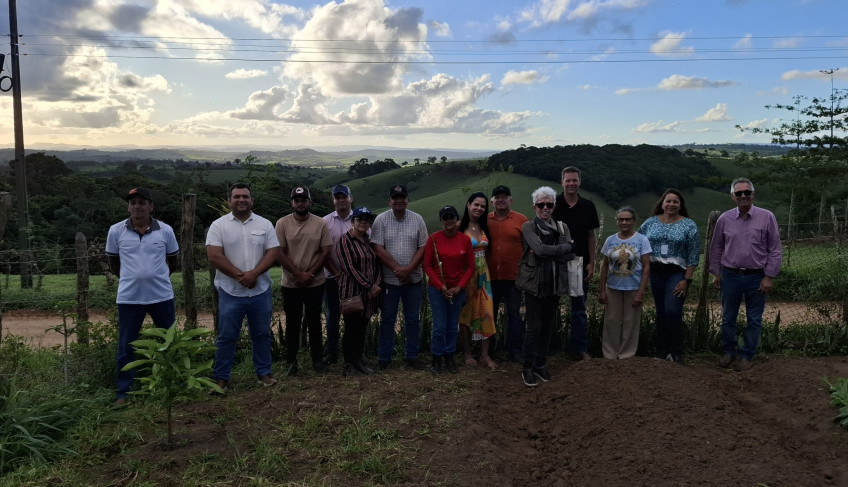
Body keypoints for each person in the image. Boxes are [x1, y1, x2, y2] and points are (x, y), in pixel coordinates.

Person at [106, 187, 179, 406]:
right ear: (128, 207)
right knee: (127, 345)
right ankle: (124, 392)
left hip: (162, 296)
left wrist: (156, 277)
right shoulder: (116, 231)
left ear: (151, 206)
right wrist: (133, 278)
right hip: (129, 298)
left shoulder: (165, 231)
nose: (137, 206)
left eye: (142, 202)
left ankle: (173, 383)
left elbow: (173, 261)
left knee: (169, 341)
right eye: (133, 203)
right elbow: (114, 264)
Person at [207, 183, 280, 392]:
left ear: (252, 201)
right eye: (237, 196)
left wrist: (254, 274)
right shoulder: (218, 226)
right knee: (227, 336)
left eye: (245, 196)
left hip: (260, 290)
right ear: (230, 200)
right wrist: (241, 276)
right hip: (231, 292)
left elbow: (273, 253)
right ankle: (221, 378)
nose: (241, 200)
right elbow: (214, 255)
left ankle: (263, 373)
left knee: (262, 334)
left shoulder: (265, 225)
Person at [710, 178, 782, 372]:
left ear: (753, 195)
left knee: (754, 319)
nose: (743, 196)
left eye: (747, 192)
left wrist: (769, 277)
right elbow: (716, 247)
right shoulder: (724, 219)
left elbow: (775, 249)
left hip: (756, 276)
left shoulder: (767, 217)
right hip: (730, 275)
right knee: (727, 317)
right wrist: (716, 273)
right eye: (739, 193)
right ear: (732, 196)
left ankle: (747, 355)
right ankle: (729, 352)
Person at [519, 186, 575, 387]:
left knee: (547, 327)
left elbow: (570, 252)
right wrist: (561, 248)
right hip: (535, 284)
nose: (545, 208)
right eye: (541, 204)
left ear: (553, 206)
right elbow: (540, 250)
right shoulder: (528, 227)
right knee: (533, 328)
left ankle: (540, 364)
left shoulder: (562, 227)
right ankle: (527, 367)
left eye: (549, 204)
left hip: (555, 284)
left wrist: (550, 250)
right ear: (534, 207)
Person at [638, 188, 701, 365]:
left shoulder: (689, 225)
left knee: (673, 311)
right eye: (668, 201)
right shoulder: (650, 223)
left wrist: (686, 280)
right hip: (655, 271)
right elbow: (639, 243)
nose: (671, 204)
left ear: (680, 206)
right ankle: (662, 350)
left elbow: (694, 254)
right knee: (661, 312)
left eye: (675, 202)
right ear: (662, 203)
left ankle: (676, 352)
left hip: (676, 273)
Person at [371, 184, 429, 370]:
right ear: (389, 201)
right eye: (395, 197)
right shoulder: (380, 220)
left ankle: (412, 356)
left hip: (413, 280)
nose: (399, 200)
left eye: (402, 197)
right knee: (388, 318)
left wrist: (409, 269)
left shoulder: (417, 219)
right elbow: (378, 248)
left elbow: (423, 247)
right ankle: (384, 358)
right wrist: (399, 270)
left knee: (412, 318)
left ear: (407, 200)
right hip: (390, 280)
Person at [276, 186, 333, 375]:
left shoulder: (320, 223)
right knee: (292, 322)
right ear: (292, 203)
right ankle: (291, 363)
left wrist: (309, 274)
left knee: (315, 321)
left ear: (310, 202)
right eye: (296, 200)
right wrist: (298, 274)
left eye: (303, 200)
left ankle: (318, 361)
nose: (300, 203)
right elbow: (279, 253)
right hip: (291, 284)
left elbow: (325, 252)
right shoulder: (282, 223)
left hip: (315, 283)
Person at [552, 166, 600, 360]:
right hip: (555, 263)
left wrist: (592, 262)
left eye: (574, 180)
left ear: (580, 182)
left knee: (579, 309)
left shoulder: (588, 206)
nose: (571, 183)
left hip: (580, 262)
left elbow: (591, 236)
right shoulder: (552, 204)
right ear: (562, 182)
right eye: (568, 180)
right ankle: (550, 346)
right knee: (551, 306)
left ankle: (578, 349)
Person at [424, 205, 475, 375]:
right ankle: (436, 358)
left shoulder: (465, 240)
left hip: (457, 290)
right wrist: (441, 286)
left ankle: (449, 356)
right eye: (445, 217)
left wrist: (460, 287)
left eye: (451, 217)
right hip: (438, 289)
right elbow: (427, 265)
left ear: (457, 219)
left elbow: (470, 267)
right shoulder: (433, 239)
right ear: (441, 221)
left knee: (453, 327)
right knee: (439, 326)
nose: (449, 221)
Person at [599, 207, 651, 360]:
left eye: (627, 219)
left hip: (633, 287)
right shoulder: (610, 240)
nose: (624, 222)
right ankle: (610, 354)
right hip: (613, 287)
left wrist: (641, 292)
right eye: (621, 219)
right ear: (617, 222)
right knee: (611, 321)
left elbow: (646, 267)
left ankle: (626, 355)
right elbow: (605, 265)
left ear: (633, 221)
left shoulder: (642, 240)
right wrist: (602, 289)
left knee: (631, 322)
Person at [335, 206, 381, 377]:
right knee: (351, 329)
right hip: (352, 293)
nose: (363, 222)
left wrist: (376, 284)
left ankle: (358, 361)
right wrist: (370, 286)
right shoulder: (345, 240)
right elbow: (349, 268)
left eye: (367, 219)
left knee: (361, 328)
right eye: (359, 219)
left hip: (369, 295)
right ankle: (349, 364)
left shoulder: (368, 241)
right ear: (352, 221)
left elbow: (376, 265)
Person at [487, 185, 529, 363]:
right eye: (497, 197)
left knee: (514, 315)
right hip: (490, 278)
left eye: (504, 197)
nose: (501, 200)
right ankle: (489, 350)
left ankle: (515, 350)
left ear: (510, 200)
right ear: (492, 202)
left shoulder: (522, 220)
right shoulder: (485, 219)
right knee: (490, 315)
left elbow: (528, 248)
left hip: (514, 277)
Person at [457, 192, 498, 369]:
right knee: (465, 315)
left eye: (483, 206)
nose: (479, 208)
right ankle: (467, 353)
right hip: (466, 276)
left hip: (484, 276)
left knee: (487, 313)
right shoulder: (460, 227)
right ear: (468, 205)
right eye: (476, 205)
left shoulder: (484, 227)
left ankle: (484, 355)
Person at [322, 184, 354, 365]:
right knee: (332, 316)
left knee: (353, 316)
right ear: (333, 200)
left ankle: (352, 352)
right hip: (332, 278)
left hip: (354, 280)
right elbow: (323, 252)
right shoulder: (324, 222)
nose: (341, 200)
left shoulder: (359, 219)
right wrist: (337, 273)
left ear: (351, 198)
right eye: (337, 197)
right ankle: (331, 353)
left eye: (344, 197)